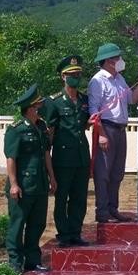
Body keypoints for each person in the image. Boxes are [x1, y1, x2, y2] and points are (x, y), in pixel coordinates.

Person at [88, 43, 138, 223]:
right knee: (103, 173)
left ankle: (112, 209)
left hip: (120, 129)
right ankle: (102, 212)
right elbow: (94, 111)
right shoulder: (98, 81)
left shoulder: (119, 79)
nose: (120, 61)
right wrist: (100, 133)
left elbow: (132, 99)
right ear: (109, 61)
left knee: (117, 172)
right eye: (117, 58)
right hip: (106, 128)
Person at [43, 55, 94, 248]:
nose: (76, 77)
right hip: (63, 159)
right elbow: (50, 131)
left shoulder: (84, 99)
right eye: (71, 74)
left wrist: (91, 122)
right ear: (63, 77)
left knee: (79, 198)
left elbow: (85, 124)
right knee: (62, 198)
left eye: (78, 74)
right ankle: (64, 234)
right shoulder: (53, 102)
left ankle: (75, 233)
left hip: (81, 157)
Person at [4, 84, 56, 273]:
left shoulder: (41, 126)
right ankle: (15, 262)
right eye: (37, 106)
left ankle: (33, 260)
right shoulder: (16, 129)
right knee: (18, 225)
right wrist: (14, 184)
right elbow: (11, 158)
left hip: (40, 184)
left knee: (37, 224)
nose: (39, 109)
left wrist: (52, 177)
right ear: (29, 108)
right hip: (23, 186)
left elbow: (46, 154)